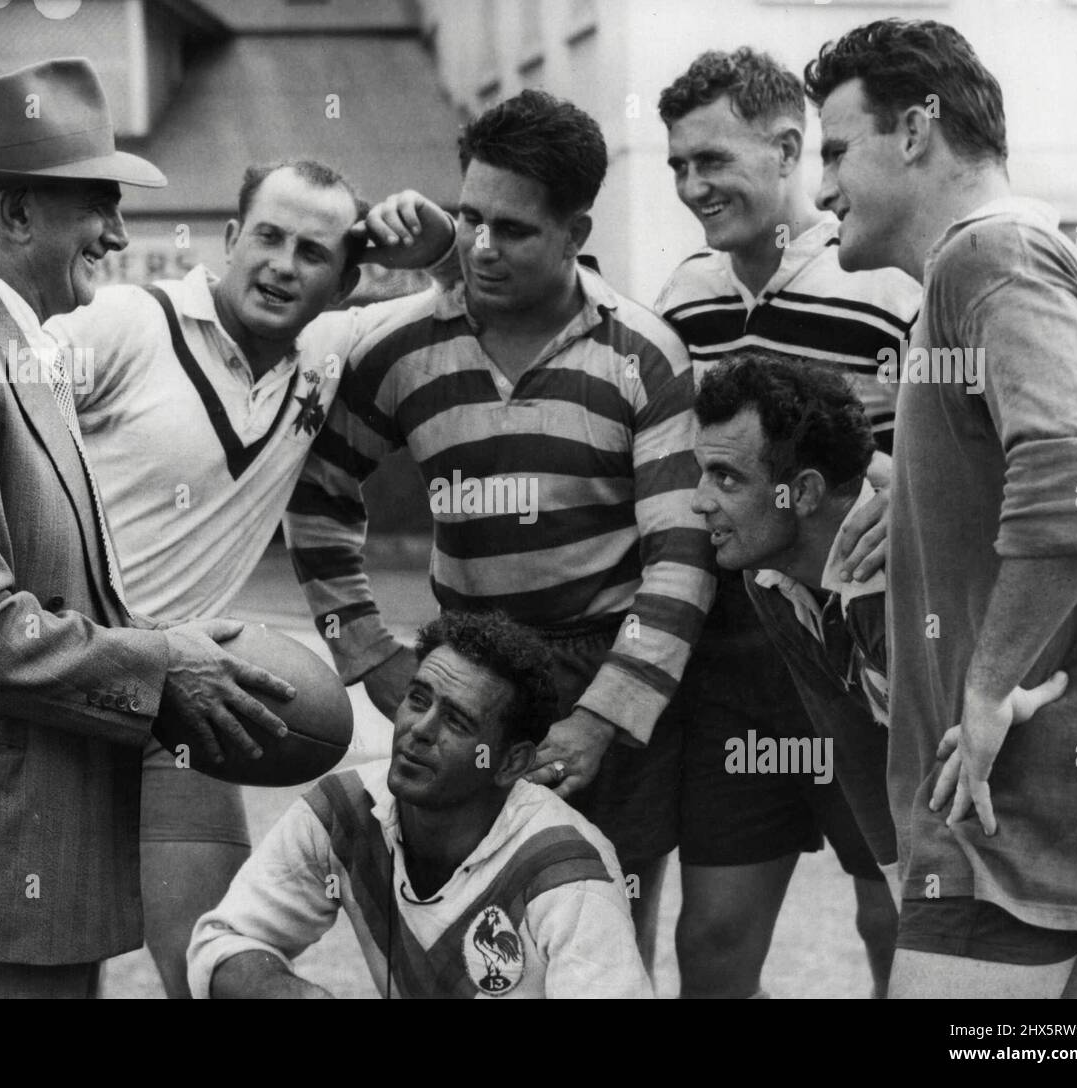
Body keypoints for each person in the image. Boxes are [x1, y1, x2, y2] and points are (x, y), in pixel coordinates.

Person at [0, 58, 294, 998]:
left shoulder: (18, 348)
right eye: (99, 205)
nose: (121, 234)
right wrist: (161, 664)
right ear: (14, 213)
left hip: (17, 864)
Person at [284, 90, 710, 979]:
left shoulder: (643, 357)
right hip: (468, 670)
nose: (479, 246)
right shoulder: (400, 350)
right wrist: (367, 652)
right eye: (468, 217)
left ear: (574, 230)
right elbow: (318, 499)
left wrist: (603, 717)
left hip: (606, 667)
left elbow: (682, 556)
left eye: (512, 229)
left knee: (606, 937)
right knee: (468, 940)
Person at [46, 161, 456, 997]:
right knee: (46, 962)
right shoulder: (127, 319)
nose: (281, 264)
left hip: (185, 691)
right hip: (57, 678)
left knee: (214, 963)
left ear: (345, 277)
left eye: (313, 251)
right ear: (231, 240)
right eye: (266, 236)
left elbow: (464, 300)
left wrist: (441, 244)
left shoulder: (332, 351)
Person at [806, 17, 1077, 998]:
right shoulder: (1028, 258)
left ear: (914, 130)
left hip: (1002, 811)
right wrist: (918, 483)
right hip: (1063, 811)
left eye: (833, 149)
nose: (819, 190)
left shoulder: (986, 259)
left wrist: (986, 690)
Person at [654, 47, 920, 998]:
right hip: (733, 656)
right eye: (677, 164)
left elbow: (940, 469)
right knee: (714, 943)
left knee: (892, 910)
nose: (692, 185)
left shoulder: (889, 285)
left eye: (711, 161)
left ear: (787, 147)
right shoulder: (681, 294)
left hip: (867, 650)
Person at [692, 351, 1071, 911]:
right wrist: (903, 881)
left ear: (804, 492)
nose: (699, 502)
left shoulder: (910, 573)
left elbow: (1013, 761)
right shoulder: (766, 573)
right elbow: (851, 741)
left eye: (725, 478)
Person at [187, 611, 652, 999]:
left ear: (511, 762)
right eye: (418, 699)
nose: (420, 729)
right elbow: (223, 942)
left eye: (456, 720)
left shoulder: (570, 870)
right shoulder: (344, 811)